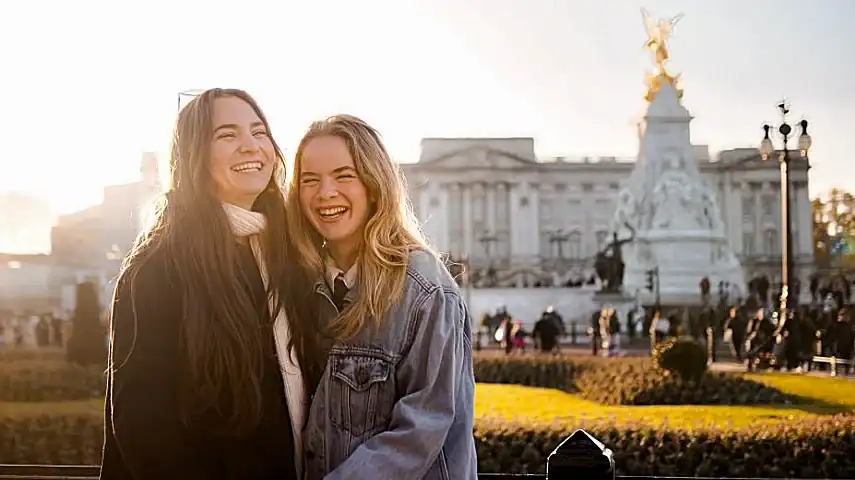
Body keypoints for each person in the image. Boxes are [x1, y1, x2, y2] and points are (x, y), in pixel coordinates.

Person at [100, 88, 305, 480]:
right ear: (194, 155)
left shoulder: (285, 254)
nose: (251, 146)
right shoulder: (159, 267)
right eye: (227, 135)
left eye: (259, 132)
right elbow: (144, 427)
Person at [288, 114, 476, 480]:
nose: (326, 192)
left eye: (344, 176)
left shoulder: (424, 288)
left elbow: (421, 429)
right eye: (310, 180)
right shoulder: (305, 284)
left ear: (374, 186)